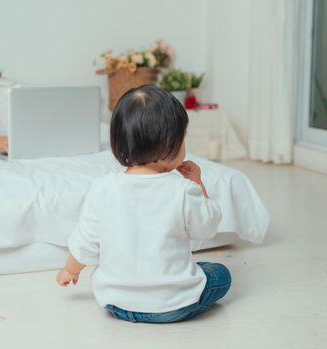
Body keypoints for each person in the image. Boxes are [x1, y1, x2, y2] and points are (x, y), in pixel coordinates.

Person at [55, 84, 231, 323]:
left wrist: (70, 270)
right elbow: (207, 228)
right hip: (171, 306)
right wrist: (198, 183)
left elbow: (85, 243)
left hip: (115, 302)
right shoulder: (183, 190)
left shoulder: (103, 188)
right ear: (170, 143)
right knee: (220, 274)